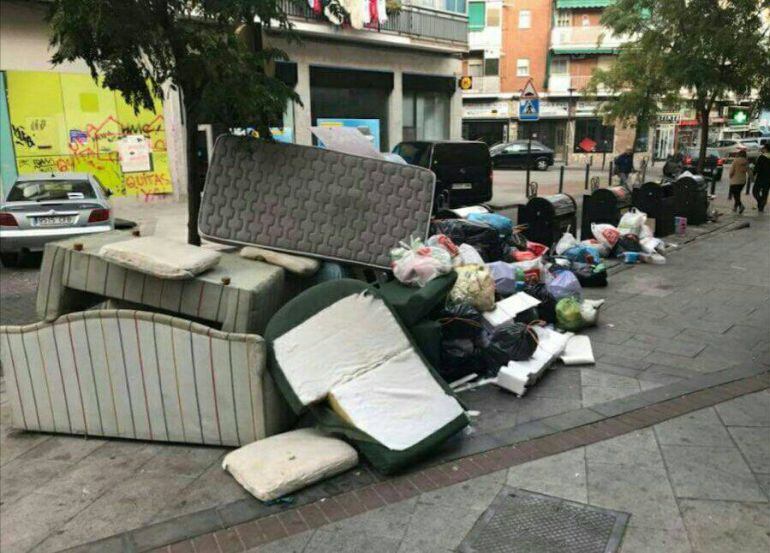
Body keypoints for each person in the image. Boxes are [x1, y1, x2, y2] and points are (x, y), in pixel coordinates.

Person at [754, 143, 770, 212]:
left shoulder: (761, 157)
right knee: (765, 192)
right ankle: (762, 206)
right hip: (769, 179)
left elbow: (757, 168)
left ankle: (760, 202)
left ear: (766, 149)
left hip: (760, 178)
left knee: (755, 191)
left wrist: (753, 173)